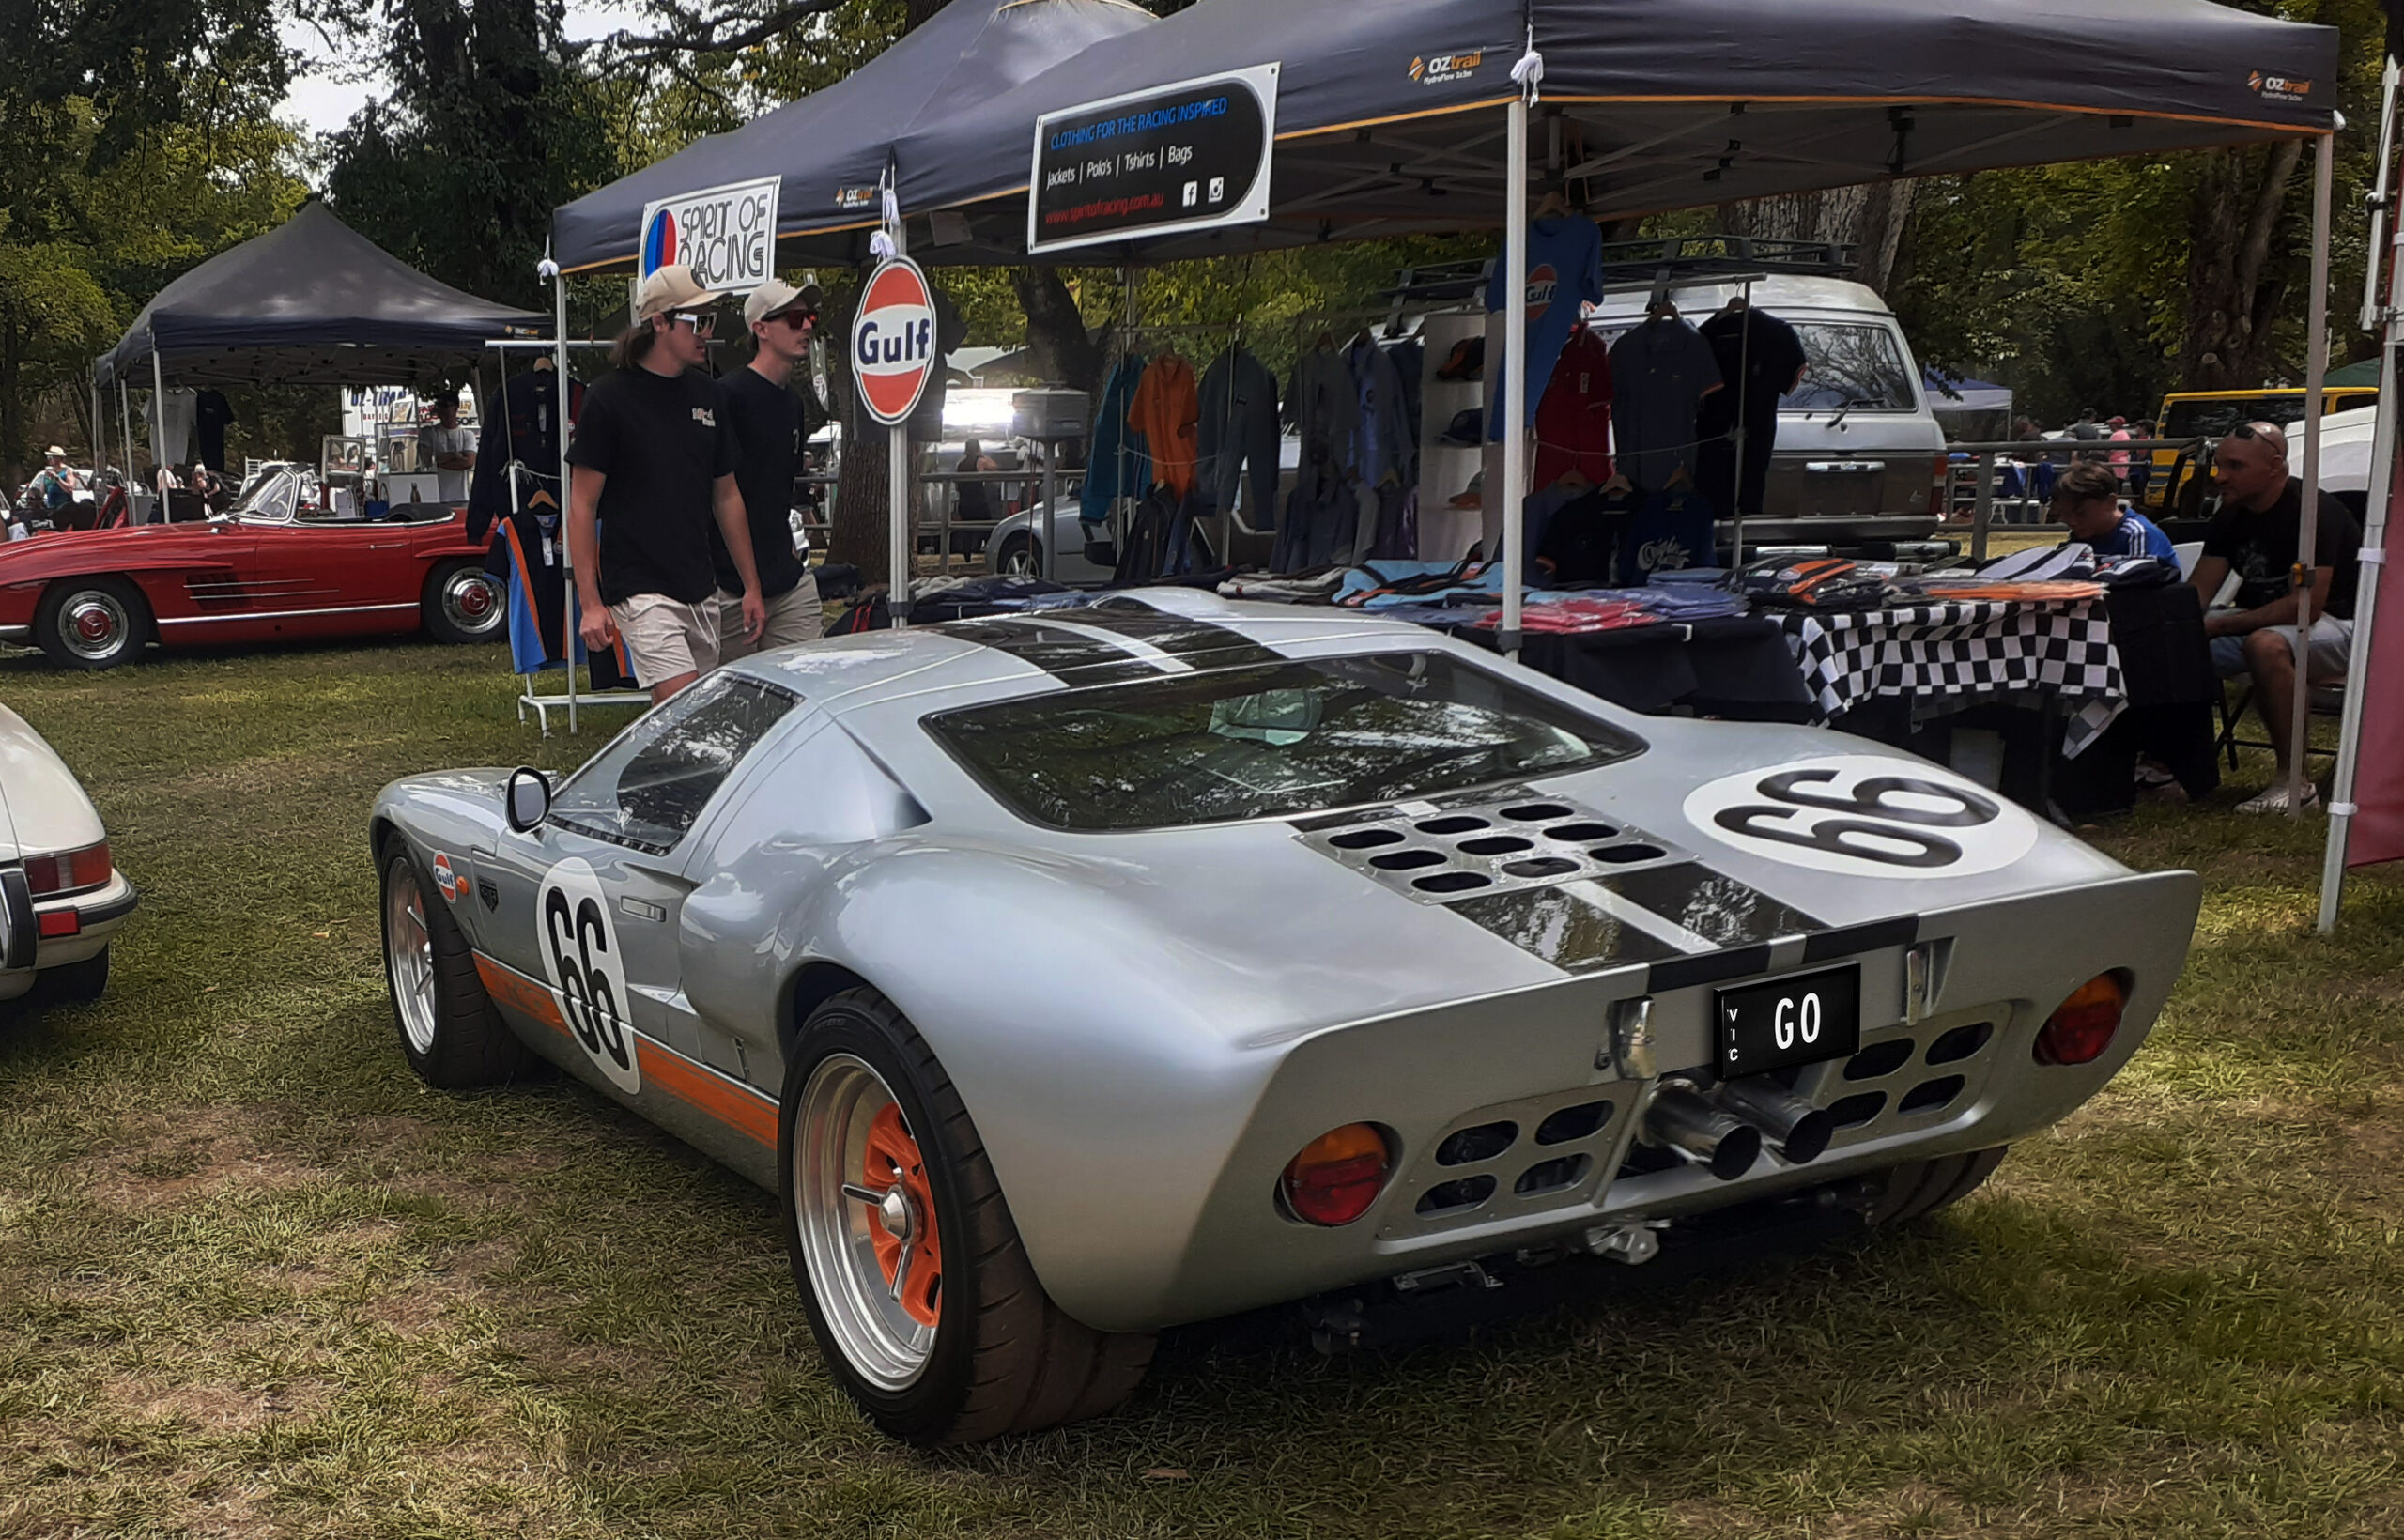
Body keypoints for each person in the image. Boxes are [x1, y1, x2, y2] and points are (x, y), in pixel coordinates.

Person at [567, 262, 766, 706]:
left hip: (699, 583)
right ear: (659, 322)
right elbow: (581, 505)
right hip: (637, 583)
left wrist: (751, 585)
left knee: (689, 715)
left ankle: (652, 755)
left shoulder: (708, 394)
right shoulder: (608, 398)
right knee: (682, 700)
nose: (706, 332)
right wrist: (590, 603)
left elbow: (726, 495)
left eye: (710, 320)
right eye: (697, 321)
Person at [2187, 421, 2362, 813]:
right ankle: (2169, 768)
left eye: (2235, 466)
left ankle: (2295, 783)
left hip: (2344, 627)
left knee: (2265, 645)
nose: (2220, 476)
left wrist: (2217, 625)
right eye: (2219, 465)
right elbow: (2198, 592)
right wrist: (2175, 626)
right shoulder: (2230, 516)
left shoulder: (2314, 513)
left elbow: (2305, 607)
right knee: (2169, 642)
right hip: (2259, 621)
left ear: (2275, 466)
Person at [714, 277, 824, 661]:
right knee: (731, 691)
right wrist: (748, 584)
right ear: (760, 329)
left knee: (808, 679)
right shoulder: (727, 397)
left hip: (786, 579)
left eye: (811, 317)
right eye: (794, 318)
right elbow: (719, 492)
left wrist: (789, 551)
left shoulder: (793, 403)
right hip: (728, 583)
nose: (807, 326)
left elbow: (779, 486)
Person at [2051, 462, 2174, 559]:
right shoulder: (2081, 536)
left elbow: (2143, 580)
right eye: (2064, 514)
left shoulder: (2138, 535)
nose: (2072, 521)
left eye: (2080, 512)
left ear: (2110, 502)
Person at [419, 393, 476, 505]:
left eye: (446, 406)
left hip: (461, 497)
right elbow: (427, 460)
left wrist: (438, 463)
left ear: (456, 408)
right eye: (440, 406)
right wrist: (455, 456)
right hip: (434, 497)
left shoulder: (467, 435)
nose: (443, 410)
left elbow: (468, 462)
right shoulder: (428, 433)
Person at [26, 447, 79, 515]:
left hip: (65, 508)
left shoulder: (67, 471)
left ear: (59, 458)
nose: (49, 459)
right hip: (51, 508)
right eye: (48, 457)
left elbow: (70, 489)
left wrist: (57, 478)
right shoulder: (49, 471)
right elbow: (43, 491)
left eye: (51, 457)